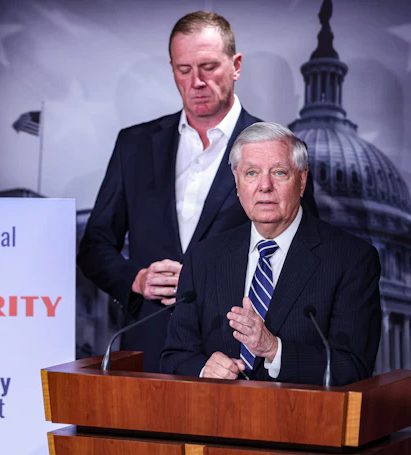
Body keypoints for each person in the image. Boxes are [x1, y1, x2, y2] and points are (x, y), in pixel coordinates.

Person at [78, 11, 318, 372]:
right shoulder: (135, 145)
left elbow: (305, 250)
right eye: (184, 69)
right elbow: (95, 245)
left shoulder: (279, 148)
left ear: (236, 65)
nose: (197, 82)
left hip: (239, 355)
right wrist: (136, 280)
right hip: (150, 348)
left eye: (208, 67)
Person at [160, 122, 381, 385]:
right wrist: (203, 368)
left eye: (279, 172)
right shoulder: (204, 257)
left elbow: (353, 367)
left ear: (302, 181)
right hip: (215, 419)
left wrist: (274, 350)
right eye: (251, 173)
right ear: (237, 184)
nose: (264, 186)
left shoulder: (352, 260)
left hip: (302, 421)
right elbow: (174, 357)